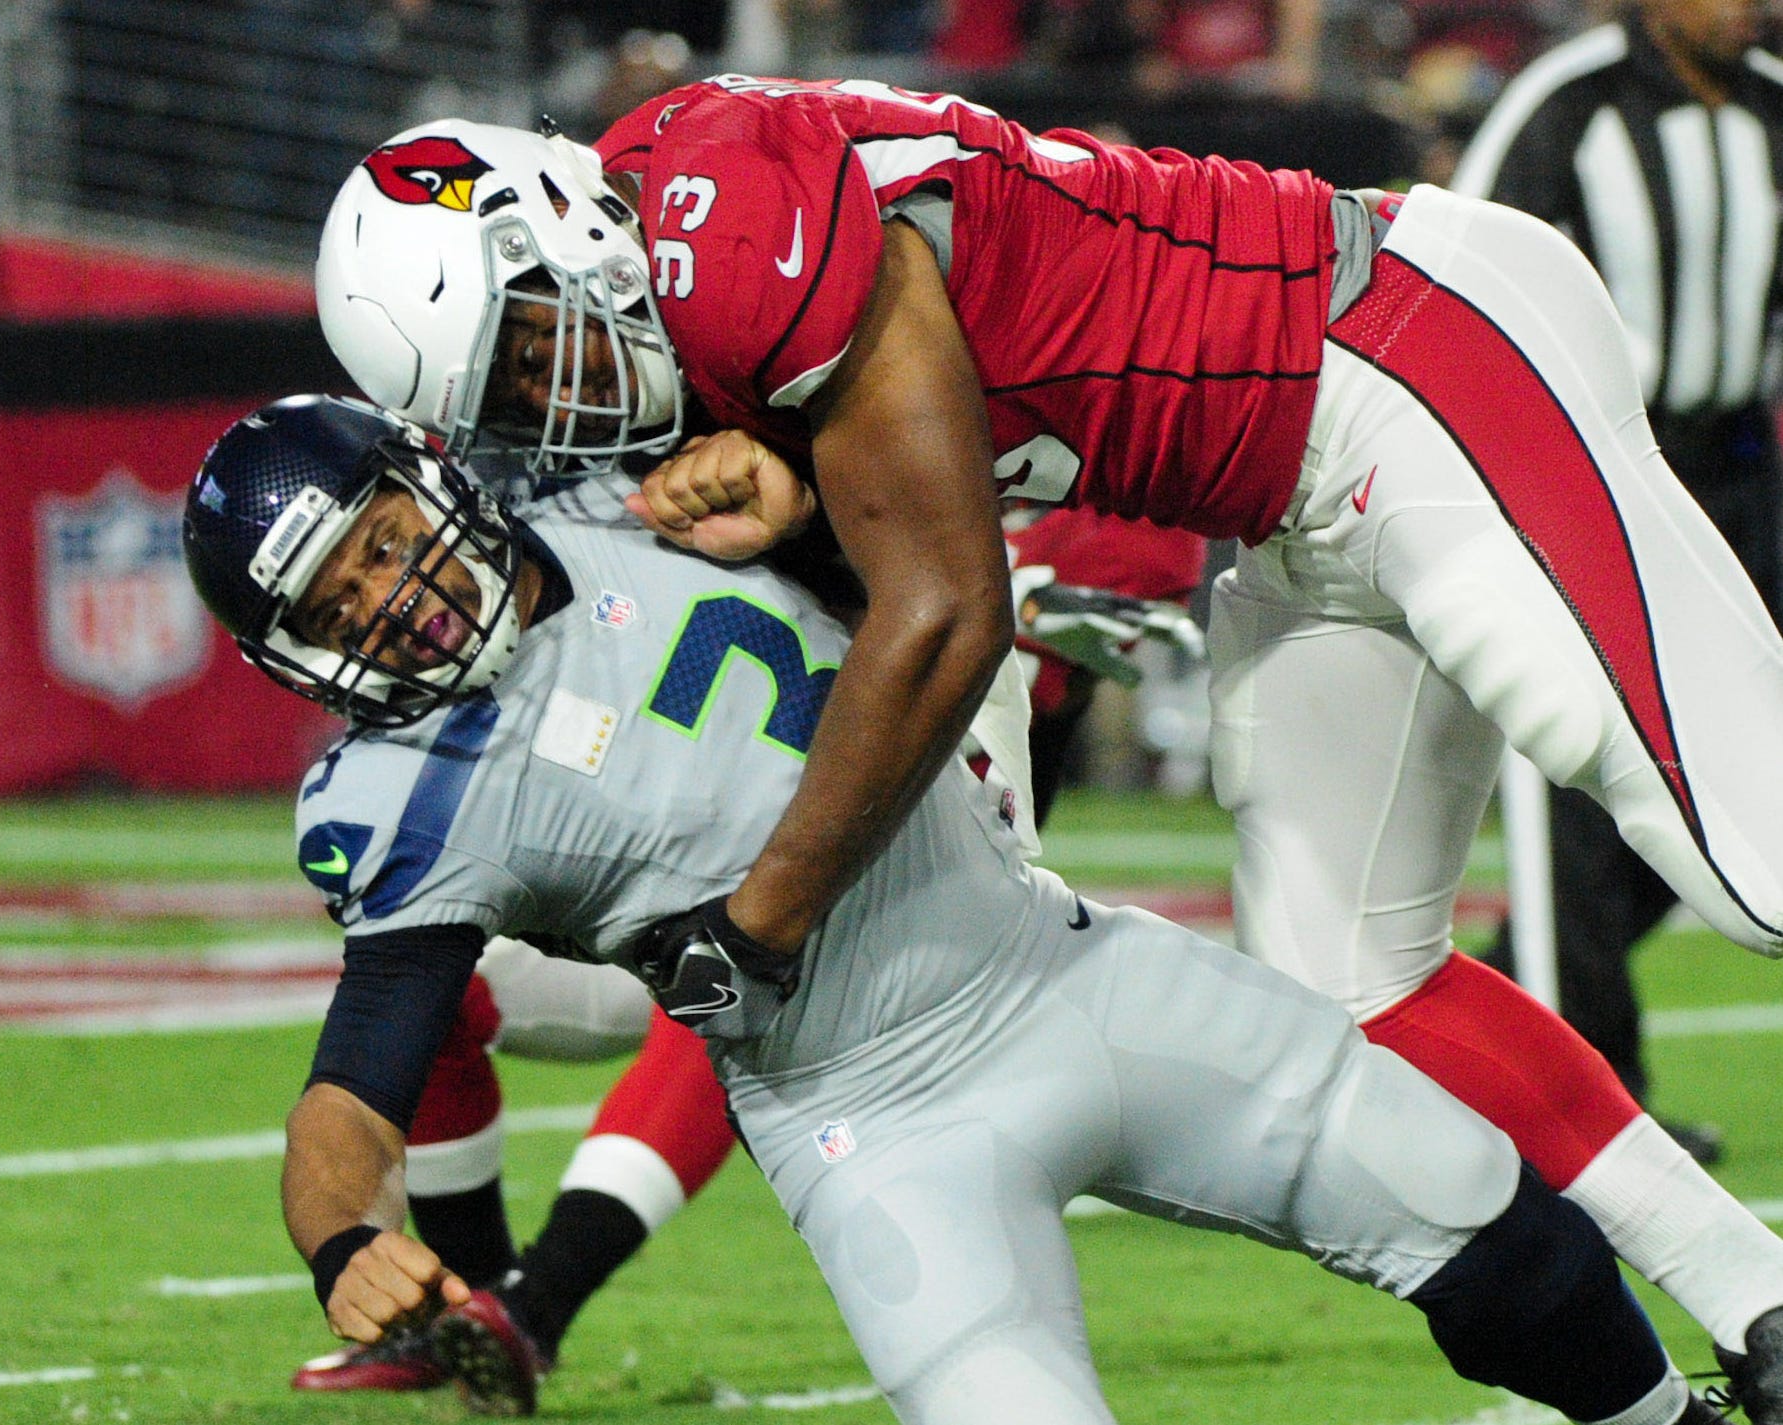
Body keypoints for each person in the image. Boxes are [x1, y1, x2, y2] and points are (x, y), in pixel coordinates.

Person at [311, 91, 1783, 1419]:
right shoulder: (684, 281)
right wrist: (795, 489)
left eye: (528, 341)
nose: (549, 392)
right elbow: (907, 479)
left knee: (1747, 856)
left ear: (557, 225)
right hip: (1284, 500)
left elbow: (951, 612)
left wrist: (758, 923)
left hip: (1395, 355)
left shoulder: (727, 218)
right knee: (1353, 981)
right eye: (507, 396)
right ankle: (1760, 1302)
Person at [184, 391, 1728, 1425]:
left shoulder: (629, 496)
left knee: (1474, 1207)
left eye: (375, 545)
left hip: (1055, 965)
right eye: (334, 605)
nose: (387, 598)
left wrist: (792, 497)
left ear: (429, 481)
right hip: (872, 1127)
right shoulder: (403, 800)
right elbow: (354, 1081)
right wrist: (340, 1240)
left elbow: (909, 557)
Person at [289, 499, 1209, 1406]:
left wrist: (1027, 650)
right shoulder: (627, 498)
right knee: (452, 995)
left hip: (829, 905)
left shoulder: (1033, 500)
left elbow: (986, 794)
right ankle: (472, 1308)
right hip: (633, 886)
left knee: (738, 974)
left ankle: (536, 1304)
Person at [1448, 0, 1783, 1172]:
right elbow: (1457, 275)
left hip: (1741, 480)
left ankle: (1502, 1005)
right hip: (1604, 481)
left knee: (1733, 785)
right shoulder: (1567, 104)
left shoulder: (1770, 107)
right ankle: (1595, 1109)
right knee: (1582, 792)